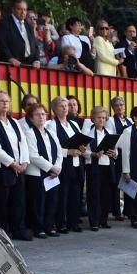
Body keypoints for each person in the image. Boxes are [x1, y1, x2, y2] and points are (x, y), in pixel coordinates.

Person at [0, 90, 31, 240]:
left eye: (7, 101)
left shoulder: (14, 121)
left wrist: (24, 161)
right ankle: (2, 232)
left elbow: (23, 143)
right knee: (0, 202)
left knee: (18, 201)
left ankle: (18, 229)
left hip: (18, 167)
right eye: (0, 101)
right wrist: (12, 163)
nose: (4, 103)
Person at [23, 102, 63, 238]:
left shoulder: (51, 132)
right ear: (31, 118)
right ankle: (38, 227)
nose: (41, 117)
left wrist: (57, 167)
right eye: (37, 114)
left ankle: (49, 225)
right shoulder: (29, 133)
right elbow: (33, 155)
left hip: (53, 173)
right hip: (36, 174)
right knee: (38, 202)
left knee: (52, 200)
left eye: (43, 114)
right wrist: (51, 167)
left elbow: (58, 152)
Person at [49, 95, 86, 233]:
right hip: (64, 163)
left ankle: (73, 222)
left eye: (67, 106)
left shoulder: (74, 124)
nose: (65, 108)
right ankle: (61, 223)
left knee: (75, 194)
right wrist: (68, 152)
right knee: (63, 194)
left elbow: (80, 140)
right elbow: (53, 146)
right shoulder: (52, 125)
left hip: (77, 163)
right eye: (61, 106)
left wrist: (82, 148)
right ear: (54, 109)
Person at [83, 106, 118, 231]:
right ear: (93, 118)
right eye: (98, 117)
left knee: (106, 194)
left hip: (108, 166)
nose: (101, 120)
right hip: (94, 166)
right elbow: (83, 151)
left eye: (103, 118)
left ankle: (103, 220)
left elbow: (115, 150)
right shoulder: (88, 133)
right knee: (94, 194)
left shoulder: (108, 133)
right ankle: (94, 222)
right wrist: (93, 154)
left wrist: (114, 153)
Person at [108, 96, 133, 221]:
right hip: (118, 154)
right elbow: (112, 138)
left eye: (122, 104)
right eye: (117, 105)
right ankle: (117, 211)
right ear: (113, 107)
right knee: (117, 183)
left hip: (129, 154)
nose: (120, 107)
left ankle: (128, 210)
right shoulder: (111, 121)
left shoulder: (130, 121)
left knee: (128, 182)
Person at [0, 0, 40, 67]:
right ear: (13, 10)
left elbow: (35, 45)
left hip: (30, 65)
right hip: (12, 65)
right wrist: (10, 58)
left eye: (25, 9)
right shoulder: (4, 23)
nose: (23, 12)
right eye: (19, 9)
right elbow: (2, 43)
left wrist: (37, 60)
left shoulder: (28, 25)